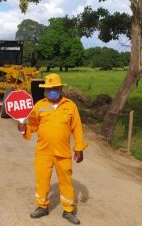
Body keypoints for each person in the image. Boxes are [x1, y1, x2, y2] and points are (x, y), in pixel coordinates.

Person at [18, 73, 88, 225]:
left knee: (66, 181)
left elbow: (77, 128)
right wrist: (24, 128)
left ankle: (68, 210)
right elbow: (33, 125)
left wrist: (79, 148)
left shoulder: (70, 106)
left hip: (63, 153)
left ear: (60, 88)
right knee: (42, 181)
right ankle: (42, 206)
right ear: (45, 90)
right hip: (44, 152)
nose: (52, 91)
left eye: (55, 88)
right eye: (49, 89)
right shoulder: (40, 106)